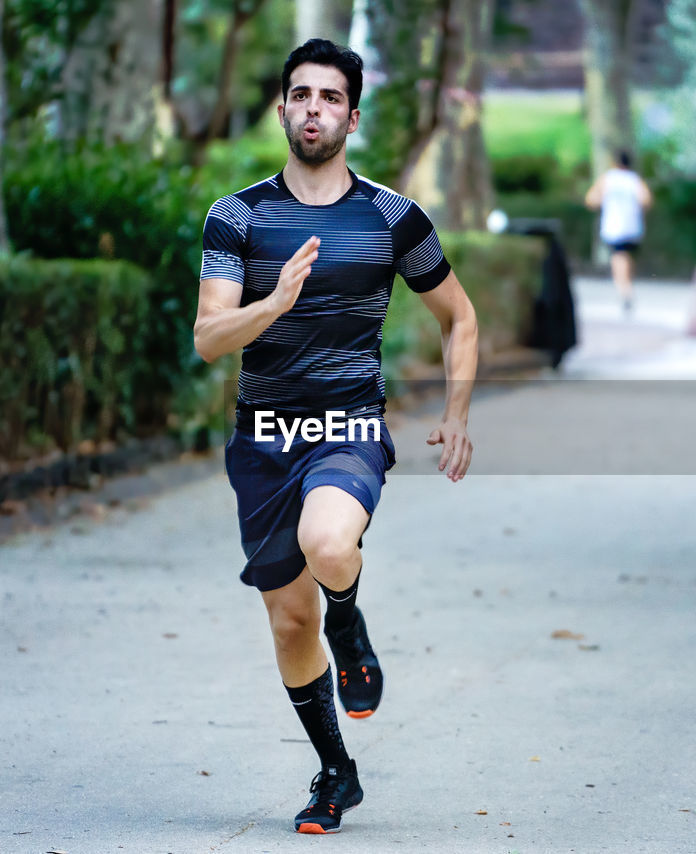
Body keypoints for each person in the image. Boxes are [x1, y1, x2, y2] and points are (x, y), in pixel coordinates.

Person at [193, 39, 478, 834]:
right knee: (288, 620)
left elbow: (460, 316)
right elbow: (210, 338)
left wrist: (455, 413)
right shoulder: (238, 216)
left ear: (352, 115)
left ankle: (347, 615)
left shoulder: (391, 216)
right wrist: (270, 307)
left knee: (328, 544)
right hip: (264, 437)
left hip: (347, 424)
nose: (312, 108)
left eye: (328, 97)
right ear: (283, 108)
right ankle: (335, 772)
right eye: (300, 95)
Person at [585, 150, 652, 312]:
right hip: (632, 225)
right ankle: (626, 286)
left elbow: (591, 200)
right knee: (626, 256)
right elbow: (646, 200)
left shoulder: (608, 178)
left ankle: (624, 290)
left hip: (614, 226)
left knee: (618, 257)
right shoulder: (634, 180)